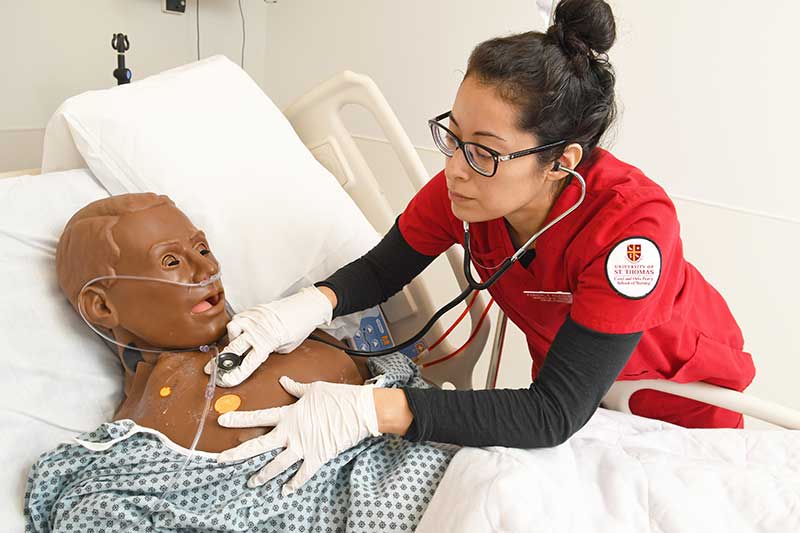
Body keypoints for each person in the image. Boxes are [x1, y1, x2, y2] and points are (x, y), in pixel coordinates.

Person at [213, 0, 755, 495]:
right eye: (453, 135)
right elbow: (385, 268)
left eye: (485, 152)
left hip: (681, 405)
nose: (453, 170)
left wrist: (369, 410)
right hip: (574, 408)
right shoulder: (471, 190)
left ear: (562, 163)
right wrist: (305, 306)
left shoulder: (631, 232)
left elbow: (552, 414)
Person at [55, 192, 366, 453]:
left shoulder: (286, 331)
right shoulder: (145, 440)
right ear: (102, 306)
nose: (207, 267)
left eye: (202, 248)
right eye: (171, 261)